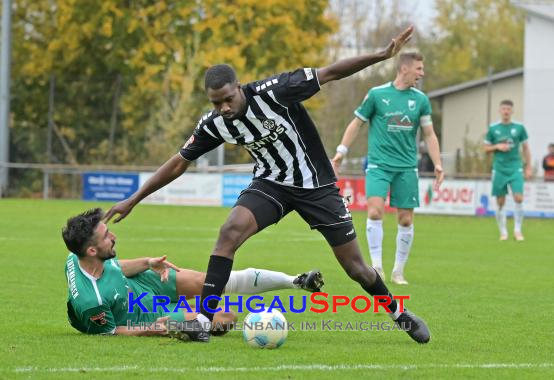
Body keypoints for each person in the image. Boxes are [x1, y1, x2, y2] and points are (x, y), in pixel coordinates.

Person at [105, 26, 431, 344]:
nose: (224, 108)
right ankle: (203, 321)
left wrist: (383, 54)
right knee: (229, 232)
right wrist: (134, 199)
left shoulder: (277, 91)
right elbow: (179, 162)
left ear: (239, 88)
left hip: (316, 185)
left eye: (228, 99)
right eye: (216, 103)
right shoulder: (215, 123)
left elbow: (330, 72)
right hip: (271, 183)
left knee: (357, 269)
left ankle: (398, 313)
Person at [63, 208, 324, 339]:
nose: (114, 236)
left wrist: (148, 262)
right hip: (148, 314)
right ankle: (188, 321)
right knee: (226, 317)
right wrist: (150, 329)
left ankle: (295, 281)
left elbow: (115, 267)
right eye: (107, 237)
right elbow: (113, 332)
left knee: (209, 282)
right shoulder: (92, 303)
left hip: (143, 283)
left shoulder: (76, 258)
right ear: (92, 250)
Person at [331, 52, 444, 286]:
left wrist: (438, 163)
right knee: (374, 212)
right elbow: (357, 123)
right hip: (378, 165)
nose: (422, 74)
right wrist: (341, 150)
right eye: (419, 69)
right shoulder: (377, 95)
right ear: (404, 69)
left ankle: (398, 271)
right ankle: (377, 267)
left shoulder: (420, 100)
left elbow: (429, 134)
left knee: (405, 219)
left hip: (406, 168)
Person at [483, 100, 532, 241]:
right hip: (499, 169)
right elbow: (485, 148)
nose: (506, 111)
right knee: (500, 201)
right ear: (500, 110)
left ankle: (517, 230)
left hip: (516, 167)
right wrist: (497, 146)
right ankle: (503, 232)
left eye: (508, 109)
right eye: (504, 109)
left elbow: (526, 148)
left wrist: (528, 167)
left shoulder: (519, 127)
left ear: (512, 111)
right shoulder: (493, 128)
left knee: (519, 197)